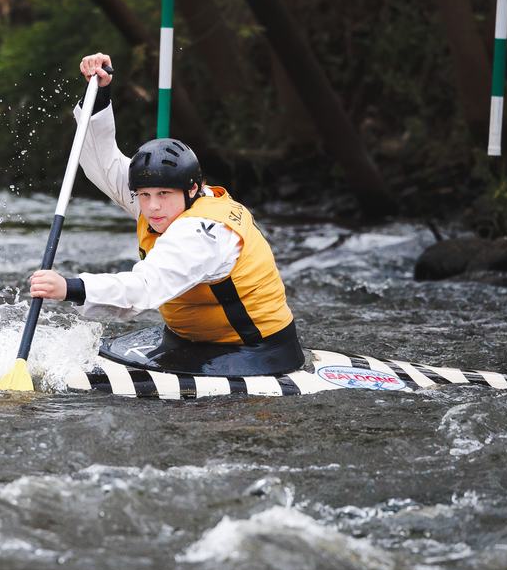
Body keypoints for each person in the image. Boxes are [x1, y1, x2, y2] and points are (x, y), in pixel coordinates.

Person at [28, 52, 304, 376]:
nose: (152, 206)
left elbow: (145, 287)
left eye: (162, 195)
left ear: (191, 190)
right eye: (144, 195)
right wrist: (99, 94)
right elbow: (102, 164)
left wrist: (70, 288)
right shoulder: (160, 206)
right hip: (185, 341)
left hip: (254, 350)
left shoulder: (203, 233)